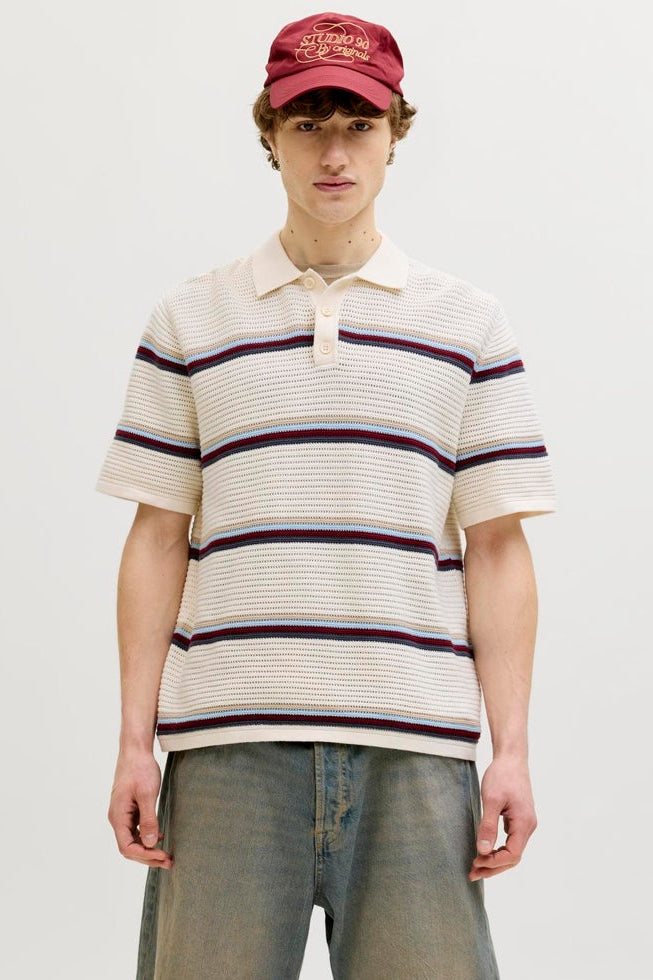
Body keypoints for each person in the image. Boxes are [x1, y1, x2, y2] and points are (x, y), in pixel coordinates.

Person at [96, 11, 557, 979]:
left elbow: (497, 547)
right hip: (226, 745)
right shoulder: (190, 318)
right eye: (307, 124)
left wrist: (510, 750)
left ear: (394, 135)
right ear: (269, 134)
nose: (334, 152)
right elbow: (157, 535)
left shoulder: (468, 324)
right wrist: (134, 741)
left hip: (416, 749)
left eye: (359, 124)